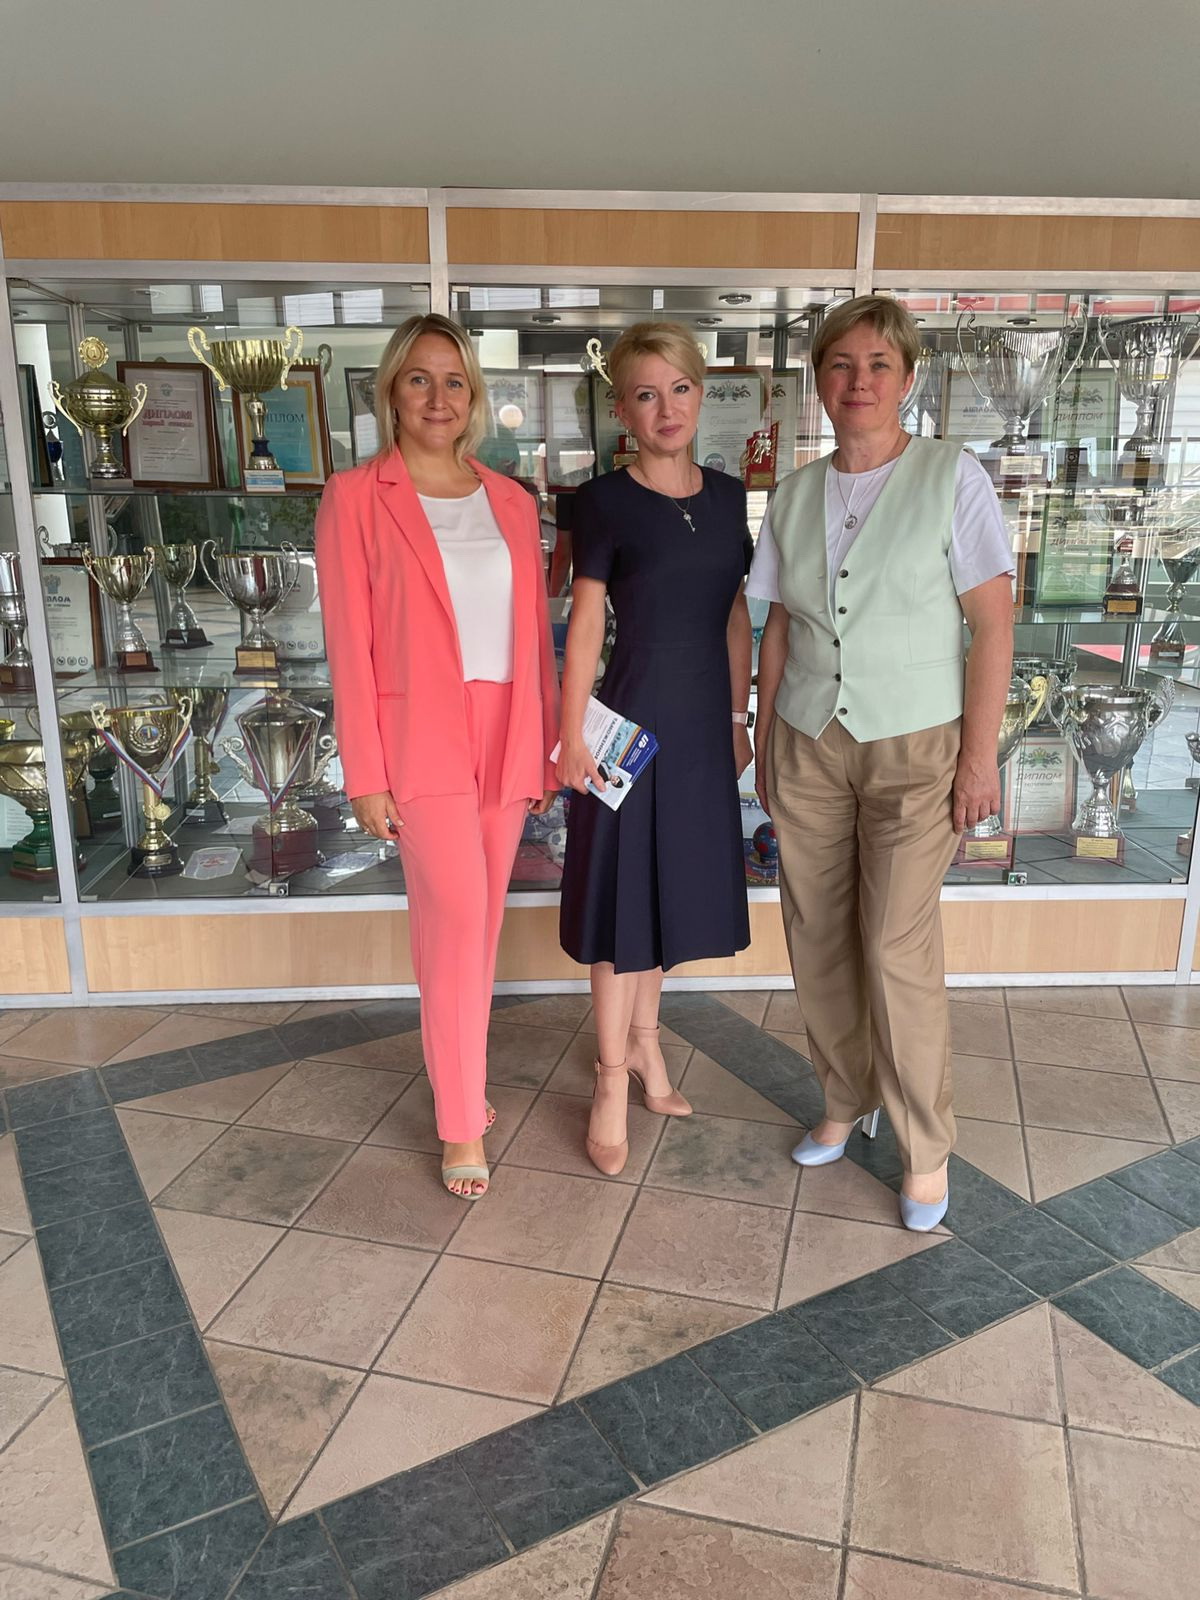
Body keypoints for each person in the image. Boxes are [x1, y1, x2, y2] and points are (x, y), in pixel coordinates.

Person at [749, 295, 1013, 1231]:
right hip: (809, 738)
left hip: (917, 743)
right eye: (840, 364)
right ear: (819, 380)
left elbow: (992, 625)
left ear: (907, 378)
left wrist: (978, 757)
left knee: (895, 942)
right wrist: (762, 735)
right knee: (818, 930)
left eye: (877, 365)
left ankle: (925, 1145)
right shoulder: (793, 494)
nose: (857, 382)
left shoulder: (952, 475)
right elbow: (779, 625)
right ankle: (844, 1095)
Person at [316, 313, 559, 1200]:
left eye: (454, 381)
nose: (438, 397)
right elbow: (349, 645)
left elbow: (535, 635)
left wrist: (541, 751)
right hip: (418, 737)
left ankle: (463, 1079)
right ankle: (460, 1119)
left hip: (506, 731)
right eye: (419, 379)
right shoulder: (355, 497)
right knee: (455, 921)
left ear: (474, 397)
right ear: (391, 390)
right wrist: (366, 773)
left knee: (478, 928)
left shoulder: (511, 501)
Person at [557, 322, 753, 1176]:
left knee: (667, 892)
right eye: (646, 393)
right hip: (628, 725)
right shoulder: (601, 500)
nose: (666, 408)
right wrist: (569, 733)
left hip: (704, 726)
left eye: (679, 388)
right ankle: (609, 1078)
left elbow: (736, 612)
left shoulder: (730, 497)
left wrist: (740, 718)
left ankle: (646, 1044)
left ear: (700, 394)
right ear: (622, 410)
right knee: (619, 903)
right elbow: (585, 622)